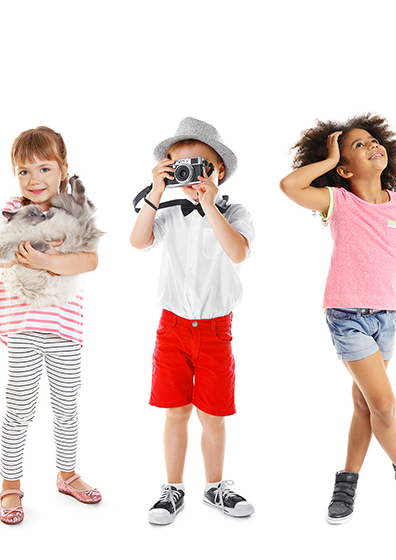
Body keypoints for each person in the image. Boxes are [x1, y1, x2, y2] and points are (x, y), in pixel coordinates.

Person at [280, 113, 396, 524]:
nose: (372, 145)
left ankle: (347, 480)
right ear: (344, 168)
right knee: (384, 404)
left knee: (364, 402)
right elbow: (289, 186)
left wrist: (385, 285)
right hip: (346, 316)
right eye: (358, 145)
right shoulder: (339, 201)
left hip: (387, 316)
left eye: (373, 139)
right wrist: (329, 158)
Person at [129, 117, 256, 525]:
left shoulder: (234, 211)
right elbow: (138, 241)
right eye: (180, 166)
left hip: (217, 329)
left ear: (218, 171)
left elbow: (237, 253)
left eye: (200, 164)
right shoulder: (166, 210)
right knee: (176, 411)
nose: (191, 174)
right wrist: (156, 191)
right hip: (173, 327)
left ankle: (216, 486)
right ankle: (173, 488)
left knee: (213, 414)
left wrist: (207, 203)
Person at [0, 126, 100, 524]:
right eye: (23, 172)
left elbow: (89, 260)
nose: (33, 180)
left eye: (43, 169)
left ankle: (67, 473)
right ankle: (9, 484)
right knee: (19, 407)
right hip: (24, 324)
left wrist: (48, 261)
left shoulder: (77, 212)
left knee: (67, 405)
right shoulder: (12, 208)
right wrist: (25, 255)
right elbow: (1, 256)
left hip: (64, 326)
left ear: (63, 169)